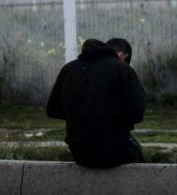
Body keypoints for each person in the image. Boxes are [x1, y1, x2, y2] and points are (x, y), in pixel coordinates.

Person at [46, 38, 146, 168]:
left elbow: (52, 110)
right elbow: (137, 114)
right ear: (123, 57)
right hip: (114, 152)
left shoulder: (68, 69)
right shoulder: (123, 70)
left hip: (79, 153)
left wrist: (80, 113)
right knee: (135, 151)